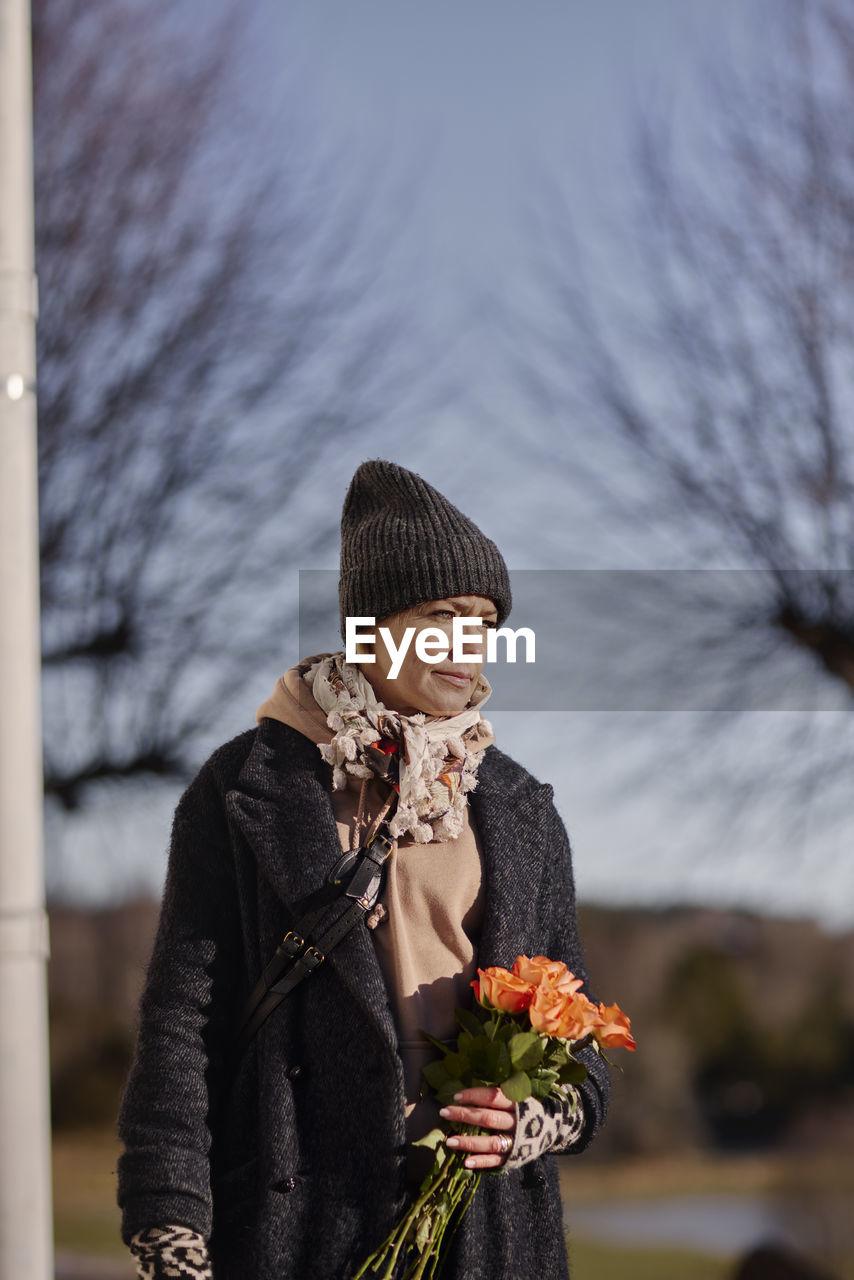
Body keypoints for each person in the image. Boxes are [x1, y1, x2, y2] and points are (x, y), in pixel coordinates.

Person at [117, 459, 611, 1280]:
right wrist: (171, 1234)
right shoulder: (246, 788)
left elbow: (581, 1047)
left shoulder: (520, 807)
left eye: (485, 619)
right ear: (370, 625)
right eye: (442, 613)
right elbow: (180, 1026)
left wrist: (531, 1120)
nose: (468, 643)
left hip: (484, 1239)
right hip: (293, 1228)